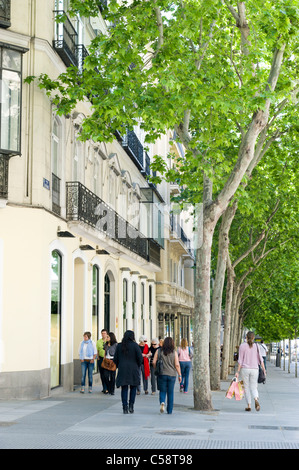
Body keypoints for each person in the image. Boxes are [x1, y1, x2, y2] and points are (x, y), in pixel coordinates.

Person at [113, 330, 143, 414]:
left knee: (124, 388)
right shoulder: (135, 346)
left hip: (122, 368)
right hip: (133, 369)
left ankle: (124, 407)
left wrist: (120, 365)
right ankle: (131, 406)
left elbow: (115, 358)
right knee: (133, 387)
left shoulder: (119, 346)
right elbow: (140, 358)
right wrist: (137, 365)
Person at [235, 331, 266, 412]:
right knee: (254, 386)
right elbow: (260, 359)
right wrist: (264, 369)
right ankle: (256, 399)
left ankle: (249, 405)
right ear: (253, 338)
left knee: (246, 387)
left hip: (245, 369)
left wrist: (237, 371)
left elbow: (240, 360)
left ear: (246, 337)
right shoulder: (256, 346)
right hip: (255, 369)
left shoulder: (242, 346)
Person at [153, 336, 182, 415]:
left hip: (162, 374)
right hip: (172, 375)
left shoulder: (158, 351)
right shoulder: (174, 352)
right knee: (170, 392)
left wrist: (156, 368)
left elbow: (154, 362)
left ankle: (162, 402)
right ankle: (169, 410)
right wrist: (180, 375)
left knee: (162, 391)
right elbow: (177, 365)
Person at [96, 329, 108, 393]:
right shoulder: (99, 341)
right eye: (102, 333)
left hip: (107, 359)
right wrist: (97, 357)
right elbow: (97, 350)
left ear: (106, 334)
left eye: (104, 333)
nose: (103, 334)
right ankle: (104, 387)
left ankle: (108, 387)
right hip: (100, 358)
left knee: (106, 374)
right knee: (102, 373)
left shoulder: (108, 341)